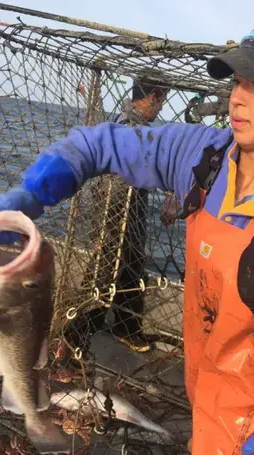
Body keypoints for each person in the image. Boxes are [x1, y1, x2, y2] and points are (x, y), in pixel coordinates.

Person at [0, 11, 254, 455]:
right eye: (236, 80)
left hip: (253, 404)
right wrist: (29, 195)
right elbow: (99, 144)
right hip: (202, 365)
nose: (237, 96)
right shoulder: (205, 156)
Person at [88, 79, 169, 353]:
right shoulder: (127, 126)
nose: (161, 108)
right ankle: (77, 333)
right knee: (106, 267)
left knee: (132, 263)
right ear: (153, 97)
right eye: (162, 100)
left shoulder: (136, 125)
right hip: (116, 204)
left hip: (130, 204)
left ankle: (126, 326)